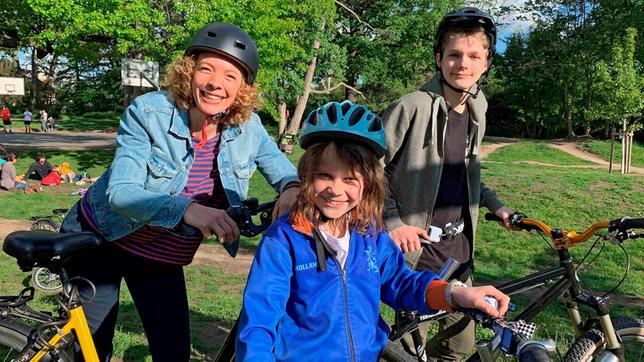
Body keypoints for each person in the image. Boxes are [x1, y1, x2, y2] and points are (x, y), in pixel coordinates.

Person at [58, 23, 300, 362]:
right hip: (99, 239)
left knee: (172, 352)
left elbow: (282, 168)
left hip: (159, 255)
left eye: (231, 76)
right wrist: (187, 209)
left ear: (242, 87)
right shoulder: (149, 113)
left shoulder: (250, 127)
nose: (217, 83)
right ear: (189, 72)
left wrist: (291, 187)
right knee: (92, 350)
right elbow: (122, 193)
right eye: (206, 69)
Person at [236, 101, 510, 361]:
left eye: (350, 179)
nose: (336, 190)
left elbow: (401, 283)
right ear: (307, 176)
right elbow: (259, 322)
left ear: (368, 184)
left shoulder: (370, 233)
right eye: (324, 176)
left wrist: (455, 293)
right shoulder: (284, 239)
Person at [381, 7, 516, 361]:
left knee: (459, 348)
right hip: (418, 254)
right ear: (439, 58)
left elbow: (465, 173)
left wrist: (494, 204)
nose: (463, 64)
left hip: (459, 252)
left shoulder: (477, 107)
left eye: (474, 56)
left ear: (486, 63)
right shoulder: (410, 107)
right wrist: (394, 223)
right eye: (454, 55)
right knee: (409, 351)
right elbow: (366, 171)